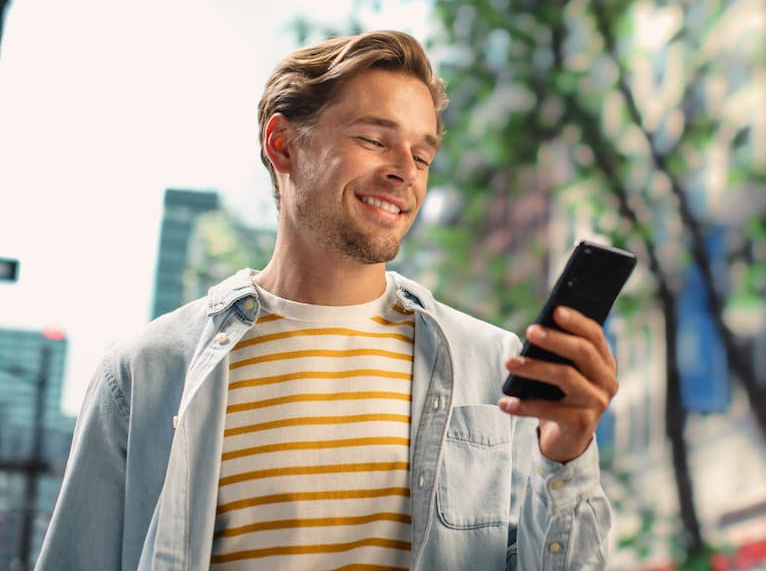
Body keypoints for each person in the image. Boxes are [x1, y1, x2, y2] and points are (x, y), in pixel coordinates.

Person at [36, 30, 617, 570]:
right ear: (283, 144)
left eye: (422, 155)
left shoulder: (492, 362)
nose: (404, 174)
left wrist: (567, 454)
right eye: (373, 140)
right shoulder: (144, 372)